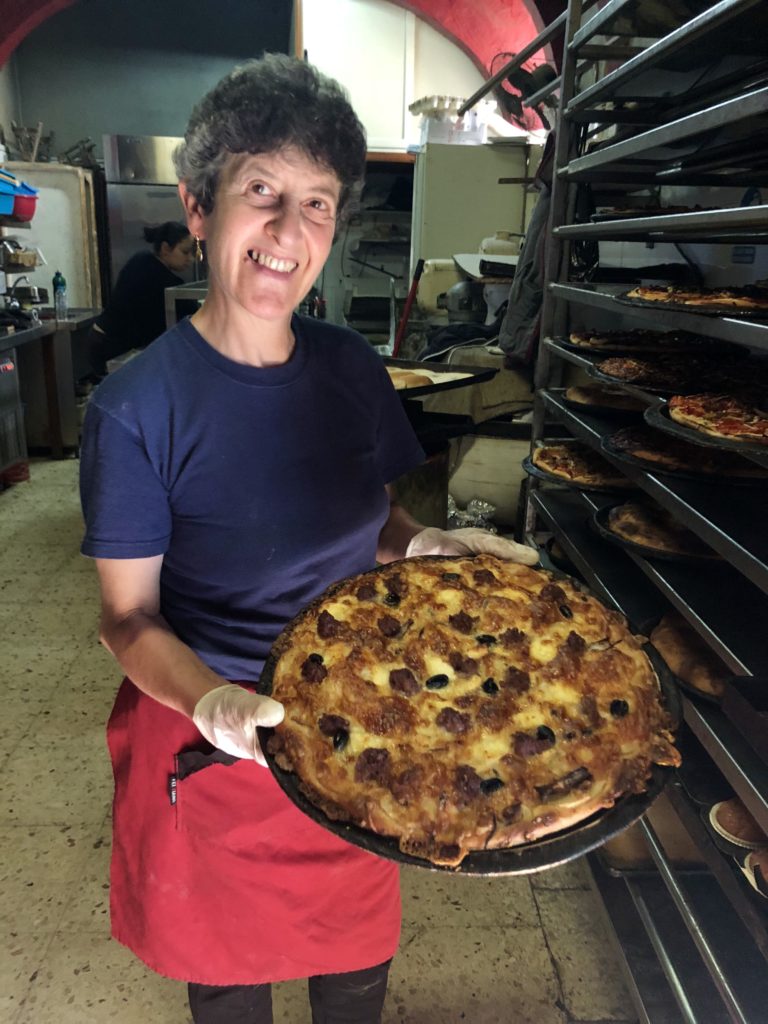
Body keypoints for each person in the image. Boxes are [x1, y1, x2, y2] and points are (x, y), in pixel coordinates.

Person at [78, 54, 538, 1024]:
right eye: (262, 191)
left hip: (357, 733)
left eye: (319, 202)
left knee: (355, 973)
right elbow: (128, 619)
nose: (291, 230)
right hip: (214, 749)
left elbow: (374, 520)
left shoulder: (347, 367)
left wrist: (421, 550)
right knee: (235, 991)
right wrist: (212, 701)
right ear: (198, 207)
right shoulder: (135, 407)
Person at [86, 220, 195, 376]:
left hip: (99, 338)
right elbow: (190, 312)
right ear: (165, 248)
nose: (191, 258)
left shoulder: (142, 260)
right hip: (110, 346)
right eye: (185, 252)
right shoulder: (160, 278)